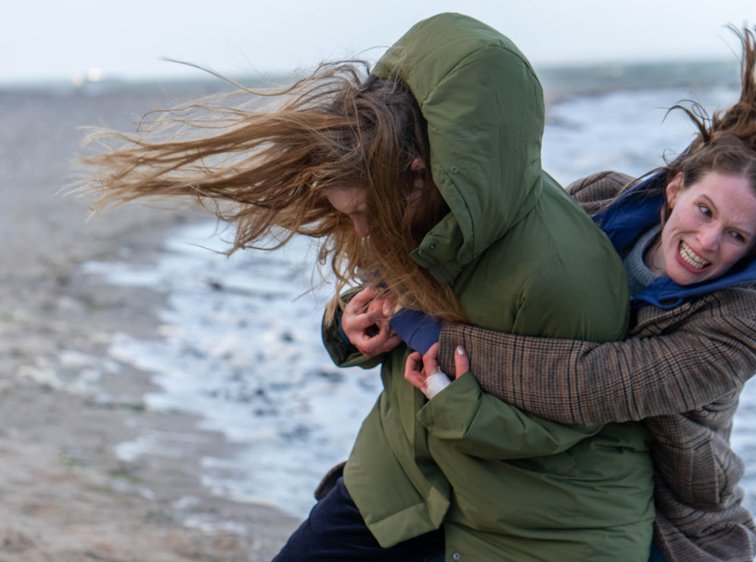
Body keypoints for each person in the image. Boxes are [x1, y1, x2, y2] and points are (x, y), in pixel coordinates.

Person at [83, 12, 656, 562]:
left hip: (538, 522)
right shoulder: (411, 212)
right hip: (406, 476)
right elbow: (385, 307)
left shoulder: (562, 274)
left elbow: (577, 421)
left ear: (417, 171)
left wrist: (454, 403)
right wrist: (351, 326)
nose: (363, 232)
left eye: (363, 212)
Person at [397, 27, 756, 562]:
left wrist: (429, 332)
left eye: (736, 235)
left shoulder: (739, 323)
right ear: (677, 186)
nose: (708, 242)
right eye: (705, 211)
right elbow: (492, 263)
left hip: (669, 517)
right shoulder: (602, 200)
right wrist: (378, 297)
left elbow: (589, 383)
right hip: (543, 458)